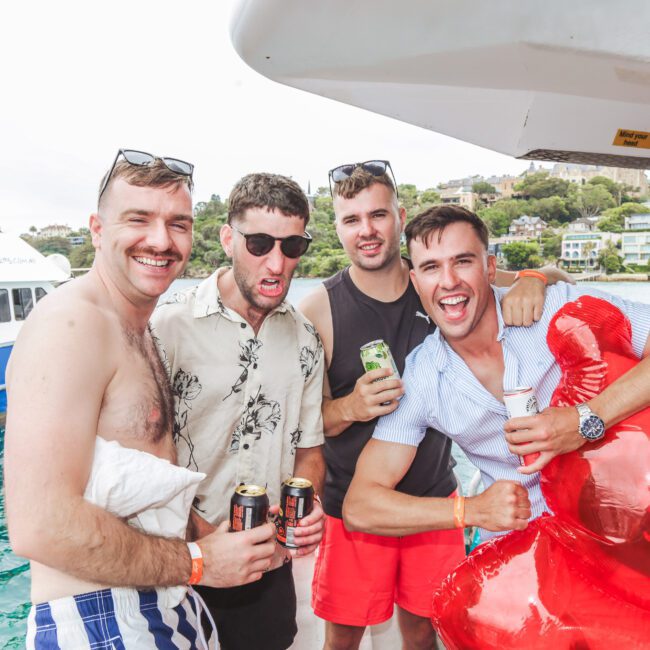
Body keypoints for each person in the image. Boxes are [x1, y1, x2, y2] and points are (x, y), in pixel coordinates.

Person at [4, 150, 278, 649]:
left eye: (178, 224)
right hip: (100, 622)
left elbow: (144, 483)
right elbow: (37, 525)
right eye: (139, 219)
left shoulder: (138, 330)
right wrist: (201, 563)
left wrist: (221, 541)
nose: (160, 240)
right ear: (97, 229)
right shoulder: (70, 324)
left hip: (163, 606)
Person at [299, 162, 571, 650]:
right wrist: (351, 408)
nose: (367, 230)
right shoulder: (318, 308)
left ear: (400, 217)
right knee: (343, 634)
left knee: (427, 626)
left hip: (438, 493)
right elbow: (302, 424)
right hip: (353, 502)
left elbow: (539, 278)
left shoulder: (439, 276)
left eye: (378, 215)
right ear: (336, 228)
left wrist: (534, 275)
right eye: (351, 219)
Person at [345, 204, 650, 552]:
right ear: (415, 282)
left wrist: (585, 419)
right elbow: (360, 506)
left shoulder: (554, 310)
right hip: (526, 551)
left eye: (463, 261)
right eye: (431, 267)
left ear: (490, 267)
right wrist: (470, 509)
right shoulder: (424, 376)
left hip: (623, 519)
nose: (448, 282)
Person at [151, 172, 326, 650]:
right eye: (260, 243)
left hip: (266, 565)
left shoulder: (305, 337)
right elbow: (145, 458)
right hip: (180, 561)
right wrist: (204, 539)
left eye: (292, 246)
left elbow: (309, 447)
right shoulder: (167, 329)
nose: (277, 262)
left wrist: (309, 508)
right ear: (228, 238)